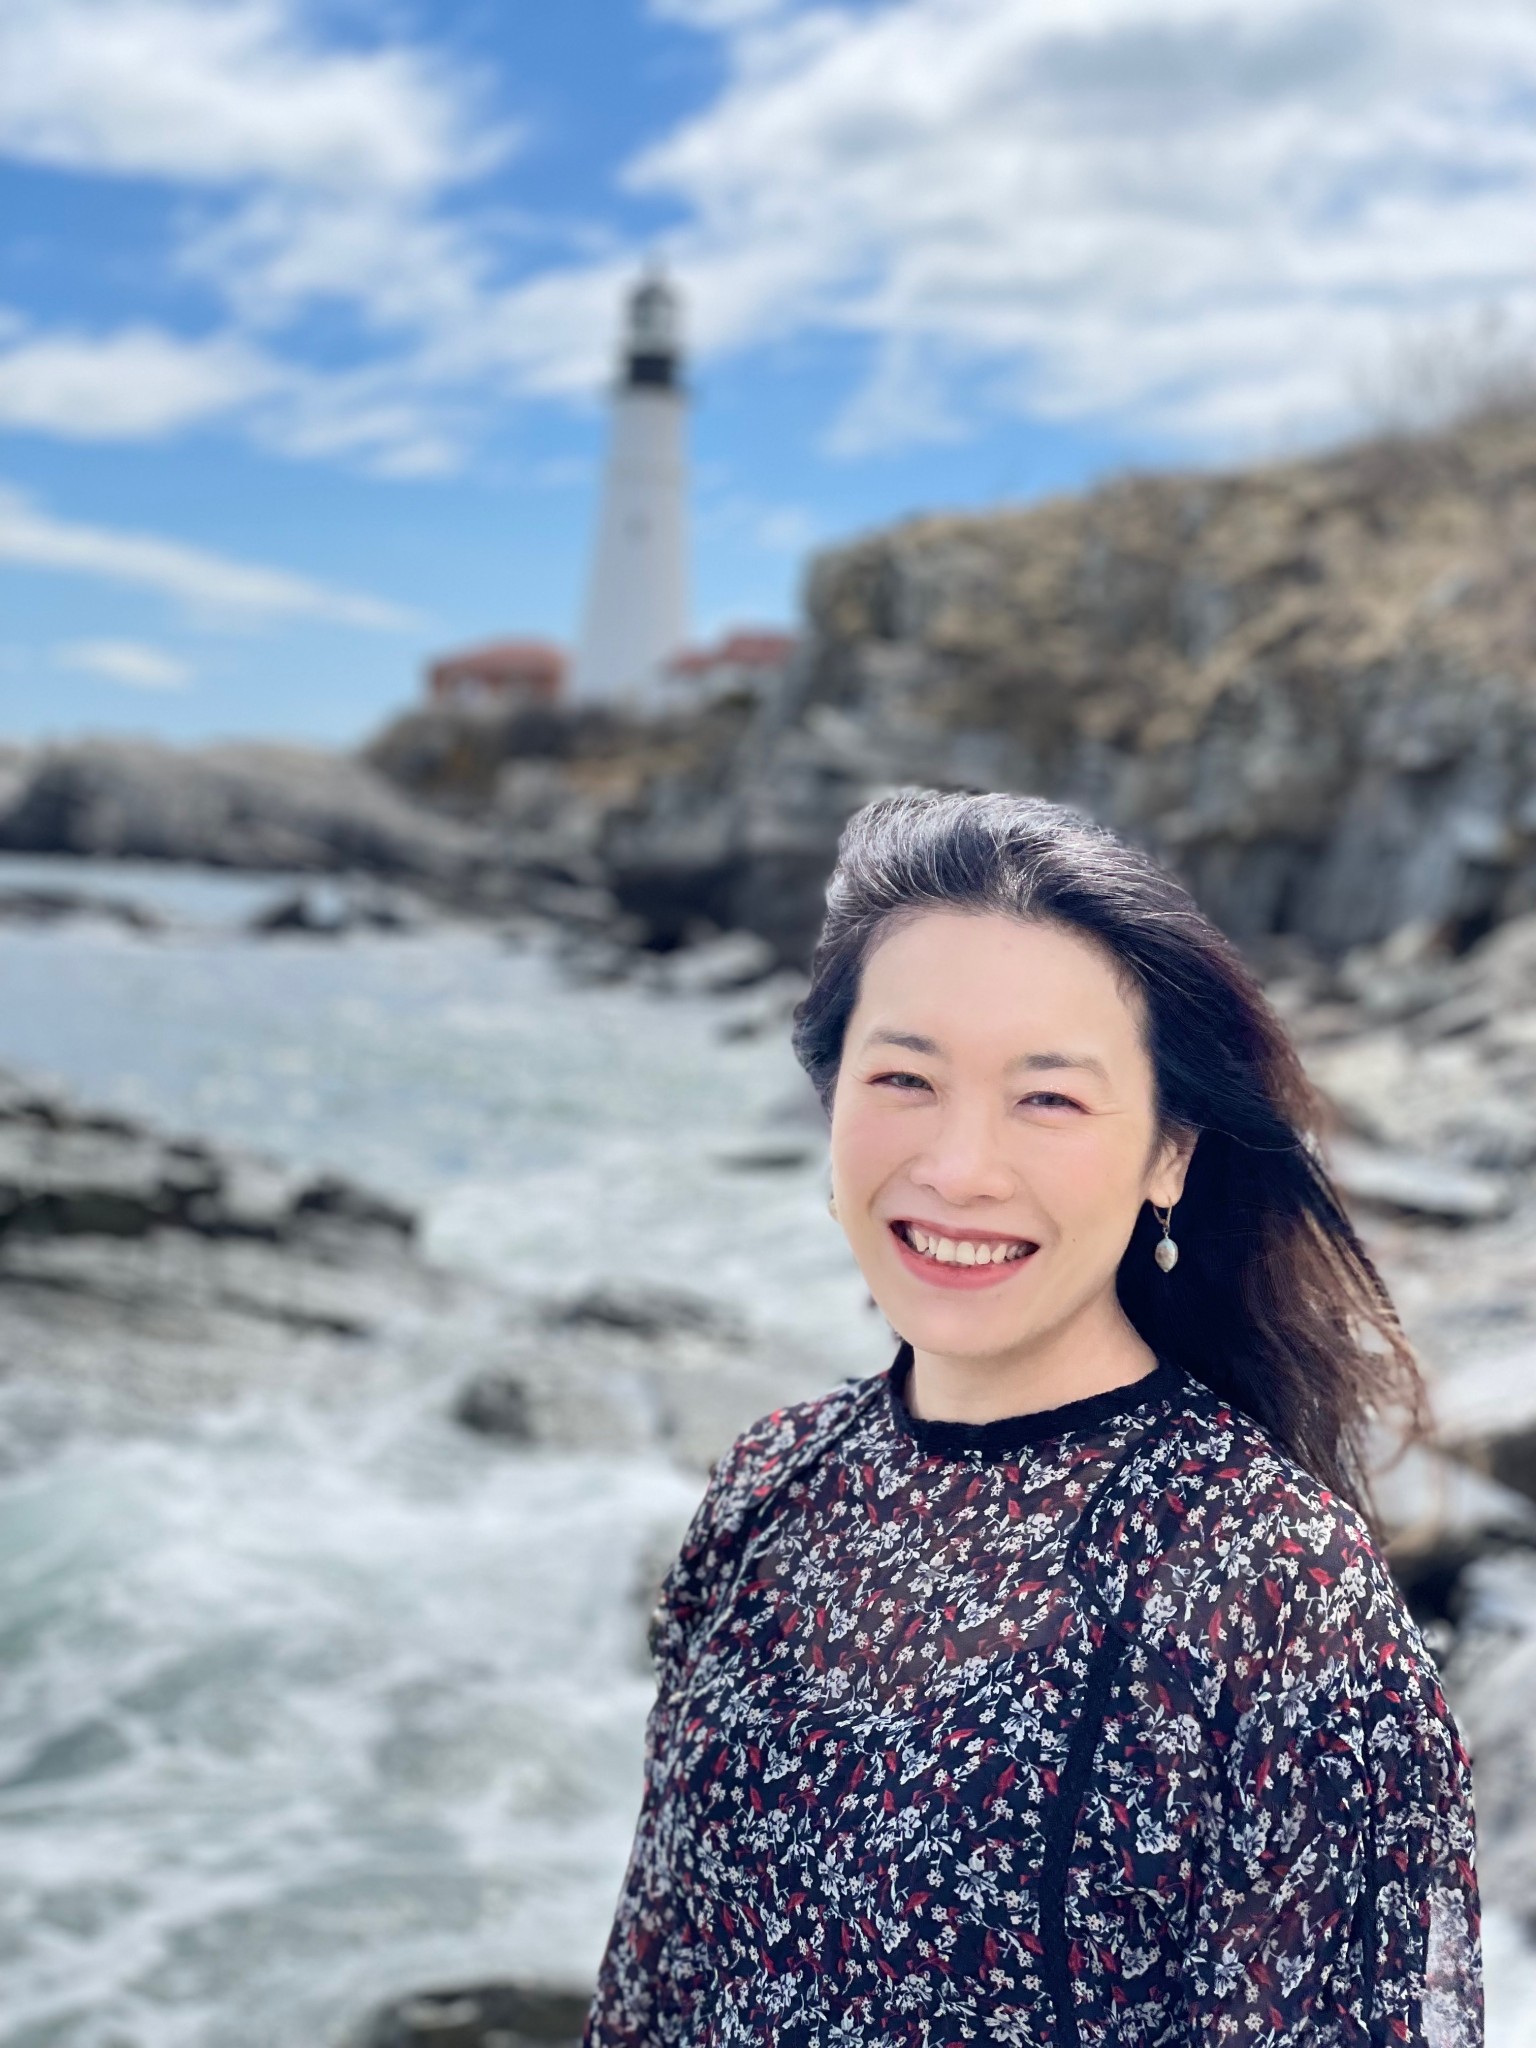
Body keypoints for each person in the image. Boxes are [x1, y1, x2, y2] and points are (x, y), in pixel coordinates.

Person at [584, 788, 1482, 2047]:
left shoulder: (1271, 1584)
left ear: (1170, 1152)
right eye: (904, 1077)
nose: (959, 1167)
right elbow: (654, 1985)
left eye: (1047, 1097)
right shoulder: (769, 1484)